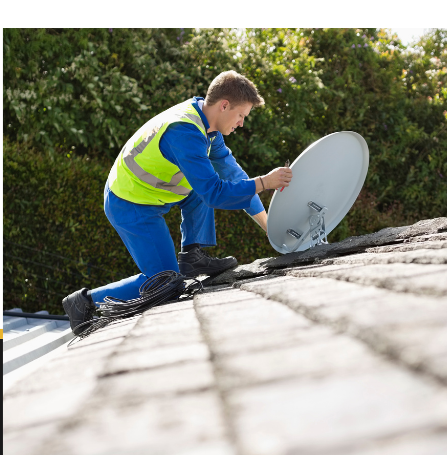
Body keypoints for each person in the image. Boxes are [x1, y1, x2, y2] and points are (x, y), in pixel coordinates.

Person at [62, 70, 292, 333]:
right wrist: (265, 181)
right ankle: (83, 301)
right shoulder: (185, 132)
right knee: (165, 283)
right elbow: (214, 194)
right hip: (129, 203)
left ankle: (193, 255)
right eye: (241, 116)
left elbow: (233, 175)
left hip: (151, 193)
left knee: (208, 180)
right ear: (224, 105)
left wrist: (269, 228)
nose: (241, 123)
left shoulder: (209, 127)